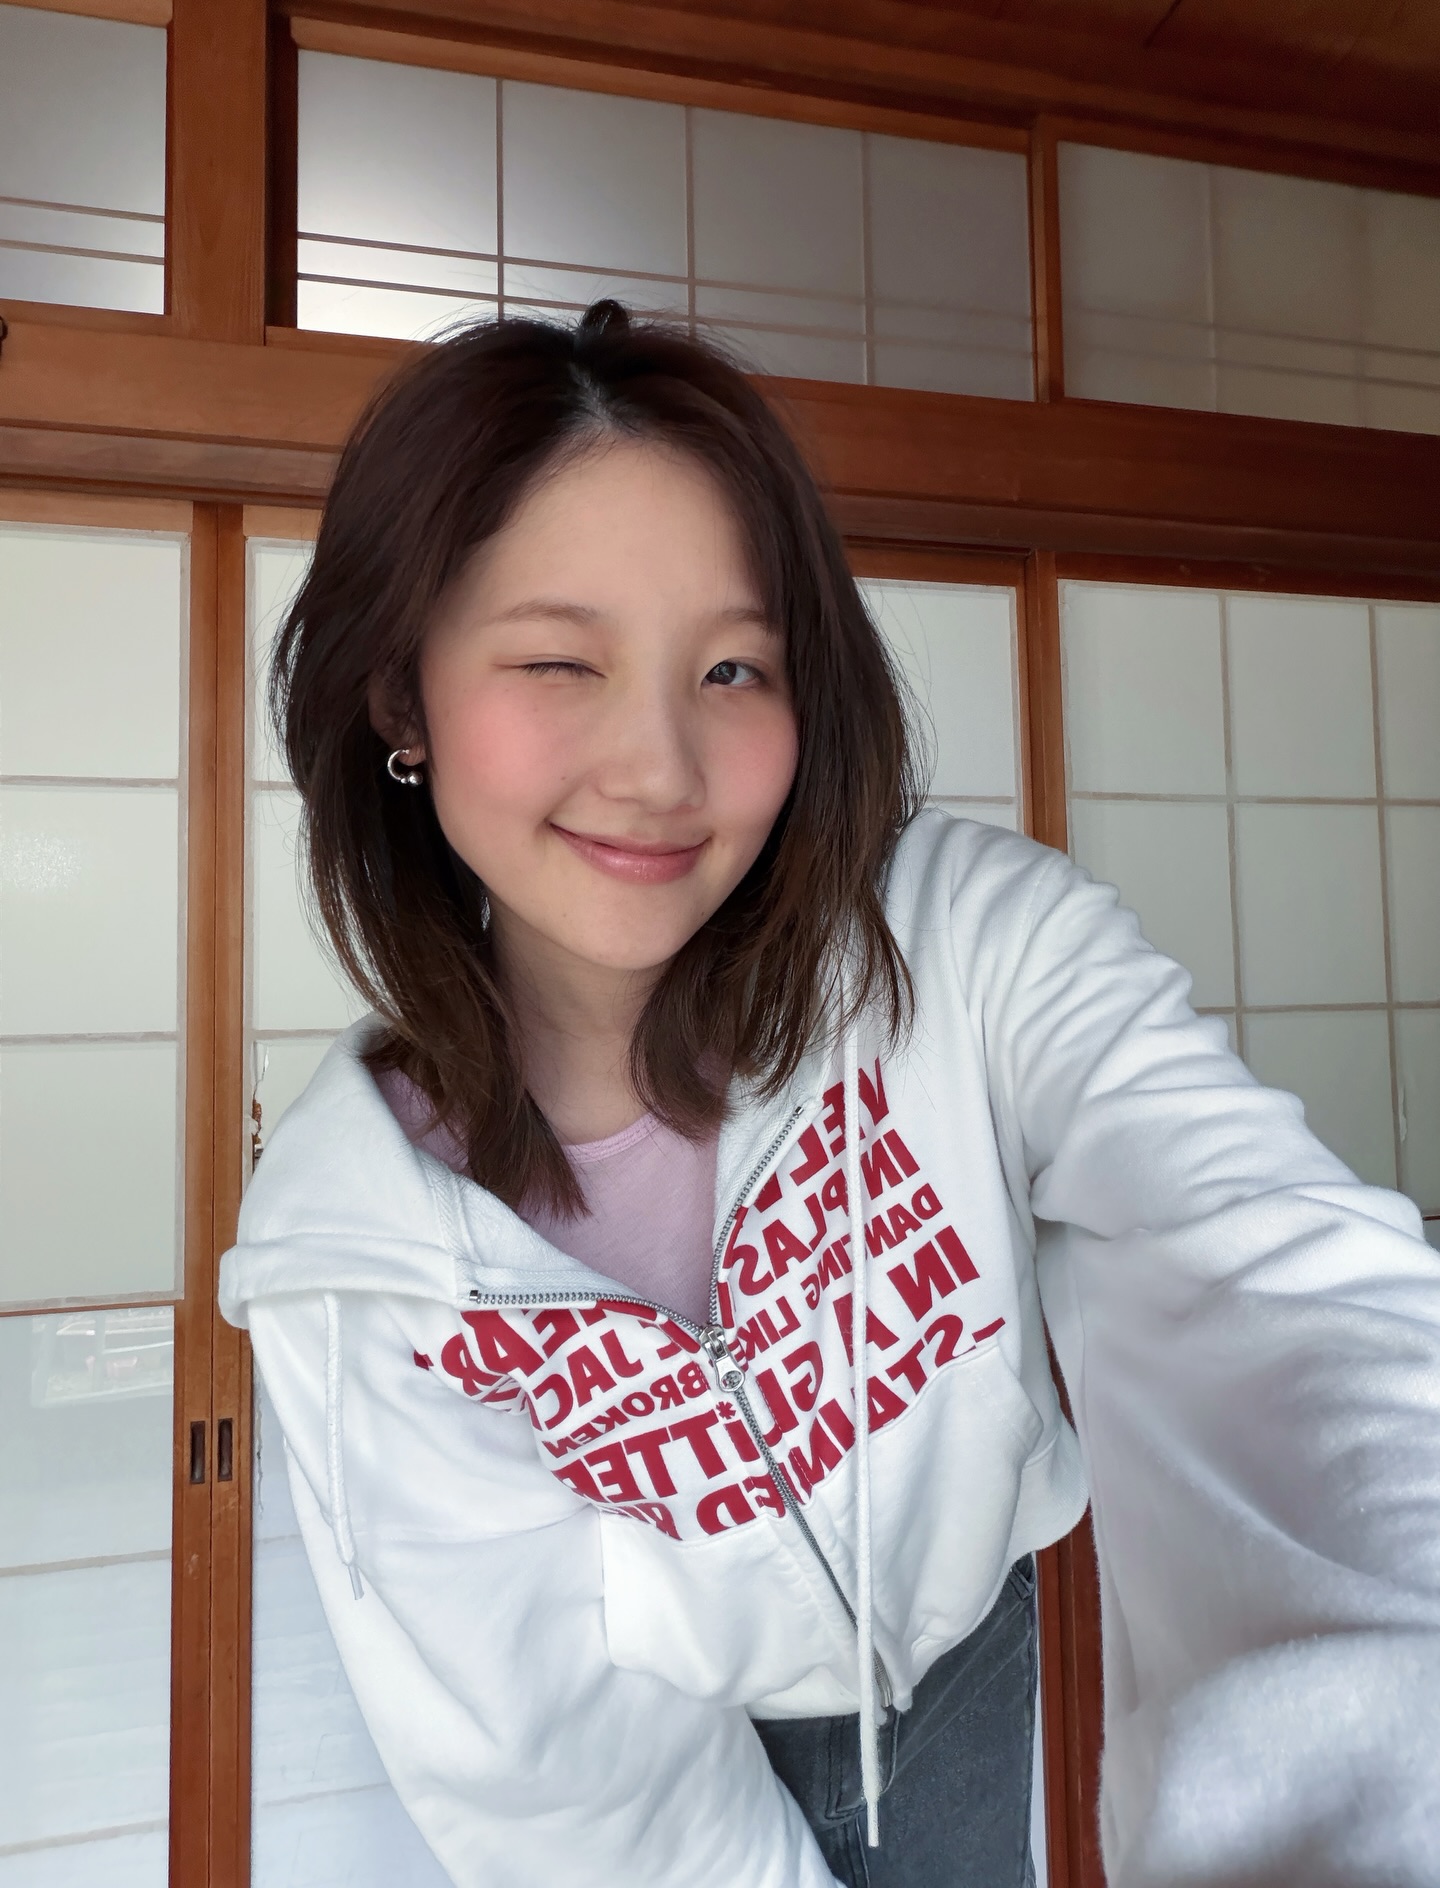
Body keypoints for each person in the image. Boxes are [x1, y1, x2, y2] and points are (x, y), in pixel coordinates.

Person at [220, 302, 1440, 1888]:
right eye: (559, 660)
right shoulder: (353, 1251)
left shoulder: (967, 947)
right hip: (662, 1752)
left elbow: (1281, 1278)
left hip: (968, 1657)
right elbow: (571, 1793)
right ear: (403, 698)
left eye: (733, 667)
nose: (661, 768)